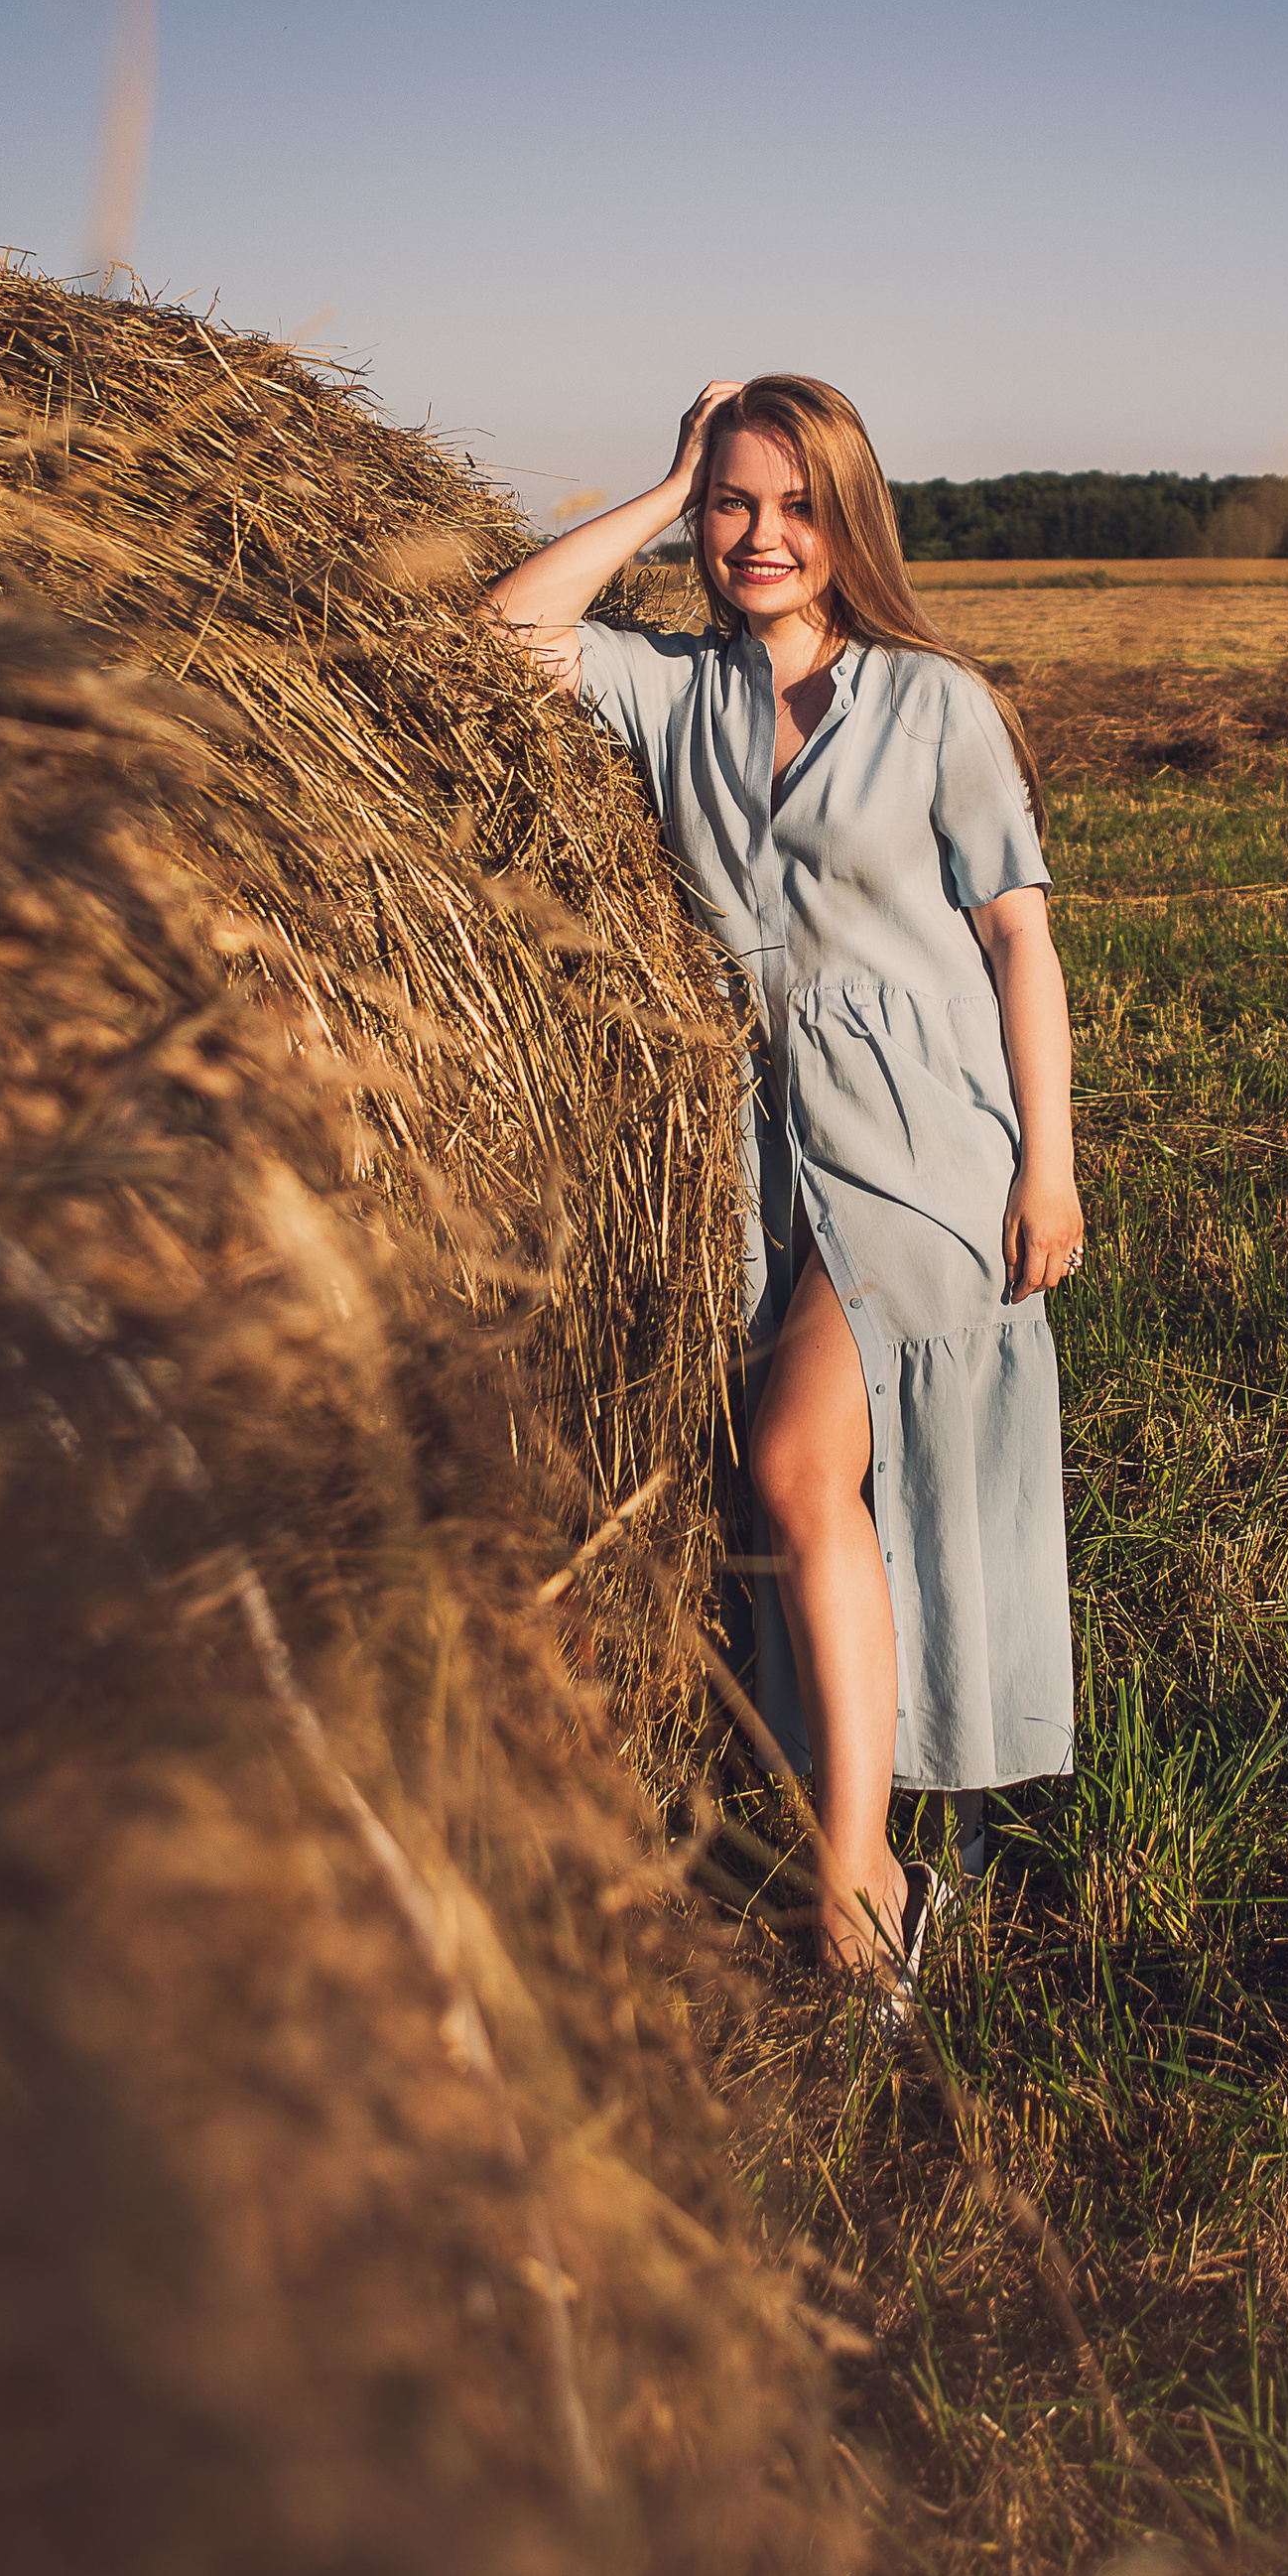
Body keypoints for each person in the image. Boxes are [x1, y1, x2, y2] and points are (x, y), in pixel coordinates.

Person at [480, 376, 1082, 1982]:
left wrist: (1050, 1170)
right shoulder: (671, 692)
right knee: (845, 1495)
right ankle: (914, 1820)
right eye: (735, 504)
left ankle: (856, 1880)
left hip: (928, 1145)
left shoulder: (932, 703)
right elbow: (499, 636)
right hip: (763, 1155)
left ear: (849, 524)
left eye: (795, 506)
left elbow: (1020, 939)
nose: (760, 535)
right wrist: (664, 478)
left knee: (804, 1472)